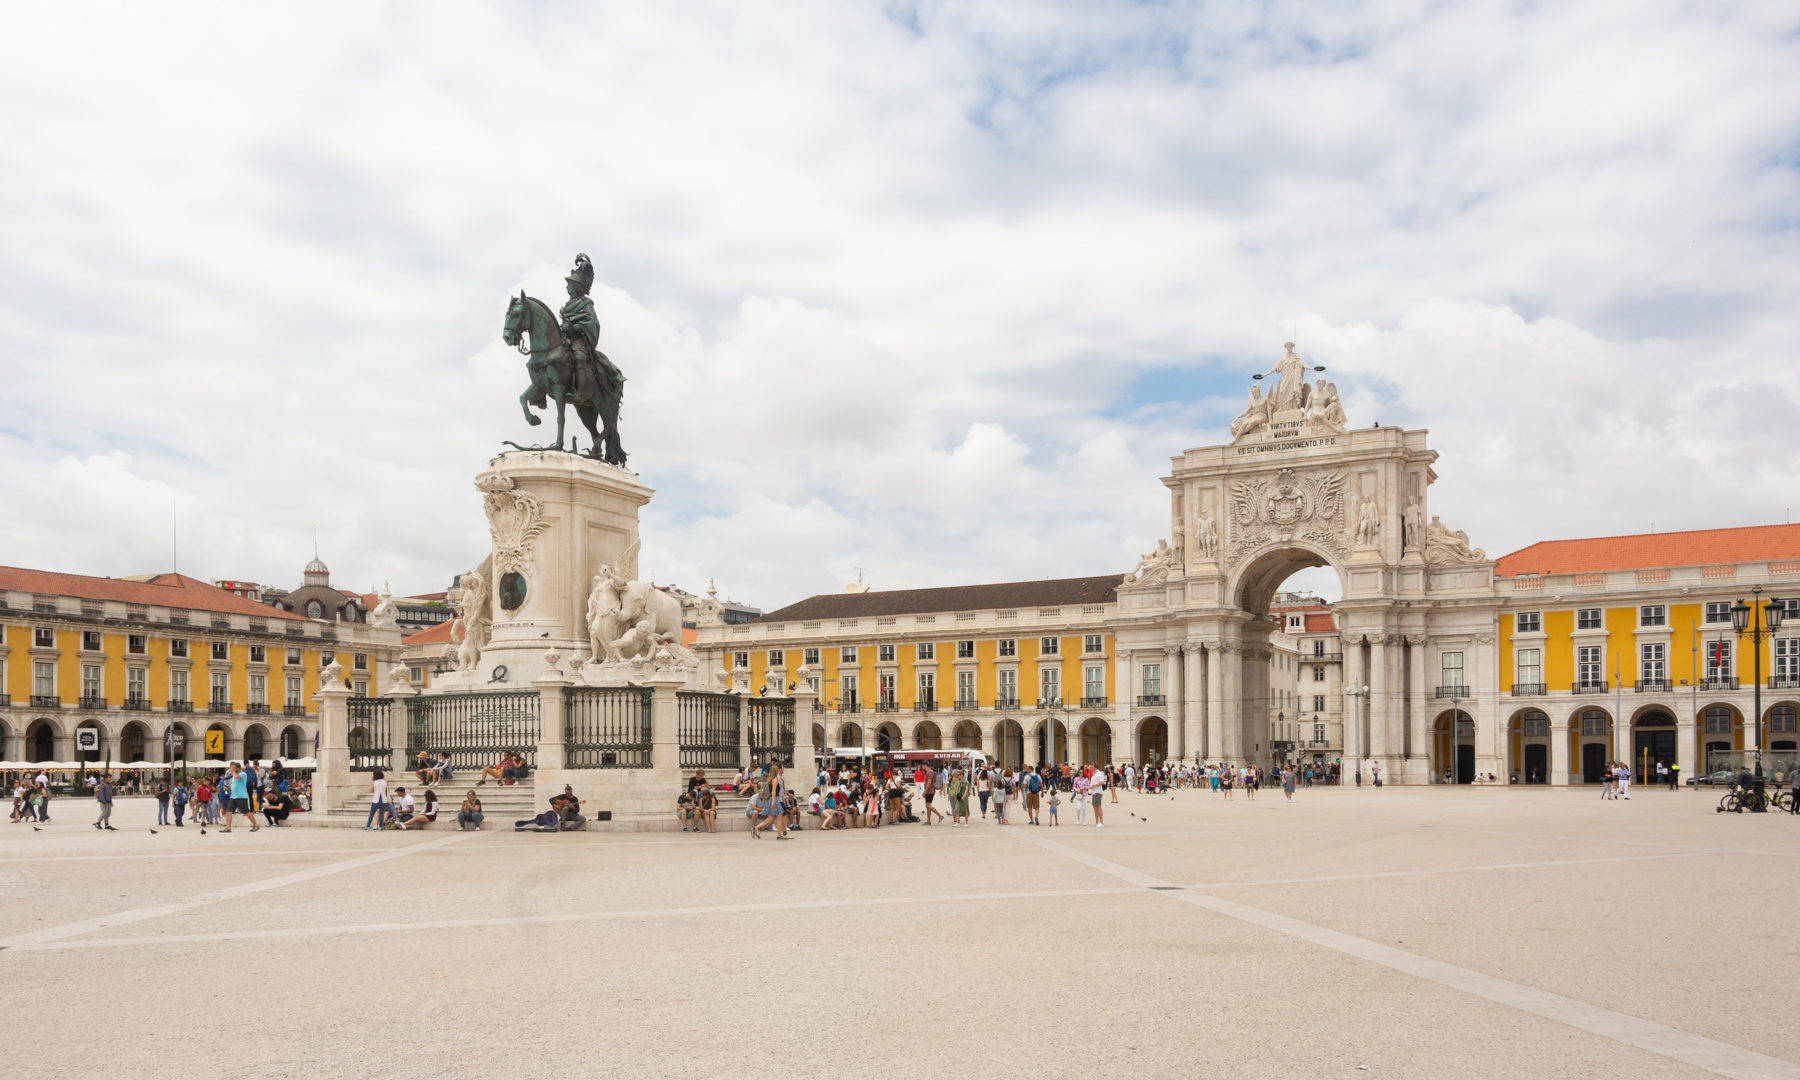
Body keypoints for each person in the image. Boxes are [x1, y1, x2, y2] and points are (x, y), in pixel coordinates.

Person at [221, 762, 260, 833]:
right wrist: (228, 787)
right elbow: (236, 784)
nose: (231, 769)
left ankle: (255, 825)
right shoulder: (234, 775)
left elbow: (237, 777)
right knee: (228, 812)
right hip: (233, 796)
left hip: (241, 796)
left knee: (246, 812)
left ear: (237, 768)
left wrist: (233, 772)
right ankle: (228, 827)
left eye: (233, 768)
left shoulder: (243, 774)